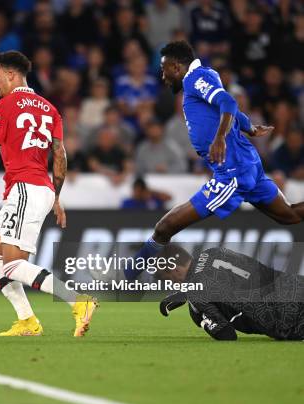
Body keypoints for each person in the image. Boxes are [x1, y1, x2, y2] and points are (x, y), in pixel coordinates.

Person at [0, 51, 97, 337]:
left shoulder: (4, 106)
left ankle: (78, 301)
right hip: (40, 189)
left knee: (13, 264)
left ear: (11, 75)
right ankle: (27, 321)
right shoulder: (50, 108)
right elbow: (59, 153)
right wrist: (57, 196)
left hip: (25, 187)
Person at [125, 41, 304, 280]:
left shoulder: (193, 79)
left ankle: (124, 276)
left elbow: (228, 102)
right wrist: (248, 126)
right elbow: (223, 109)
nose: (163, 75)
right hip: (245, 163)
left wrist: (219, 138)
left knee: (164, 228)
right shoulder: (205, 76)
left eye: (164, 68)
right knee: (289, 215)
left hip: (232, 172)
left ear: (177, 67)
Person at [157, 245, 304, 341]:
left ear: (175, 270)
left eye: (166, 278)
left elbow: (227, 335)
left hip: (291, 320)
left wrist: (199, 315)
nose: (170, 284)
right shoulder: (214, 251)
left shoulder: (197, 293)